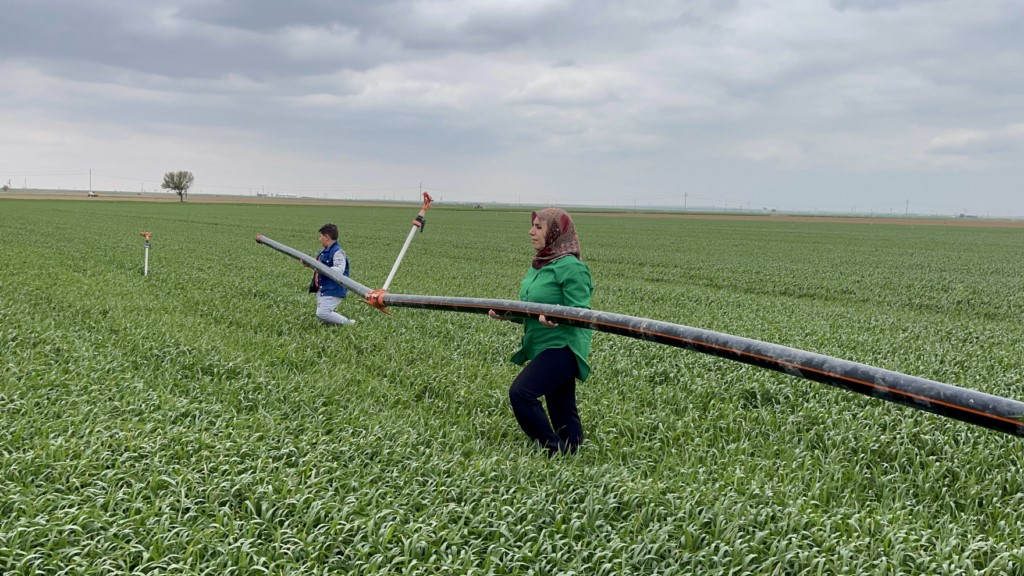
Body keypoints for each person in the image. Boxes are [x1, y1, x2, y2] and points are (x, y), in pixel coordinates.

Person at [489, 208, 593, 455]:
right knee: (561, 405)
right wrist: (509, 314)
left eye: (538, 227)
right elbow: (532, 308)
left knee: (521, 393)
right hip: (542, 344)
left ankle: (552, 449)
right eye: (532, 225)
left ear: (555, 232)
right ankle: (572, 450)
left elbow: (580, 313)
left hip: (563, 346)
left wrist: (559, 318)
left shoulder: (572, 268)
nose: (531, 231)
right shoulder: (540, 265)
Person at [305, 223, 356, 326]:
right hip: (323, 288)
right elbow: (318, 267)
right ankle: (333, 323)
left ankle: (348, 323)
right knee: (322, 315)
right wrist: (309, 264)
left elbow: (339, 269)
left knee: (322, 313)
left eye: (321, 236)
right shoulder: (324, 251)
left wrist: (321, 268)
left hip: (333, 288)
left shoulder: (338, 252)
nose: (319, 239)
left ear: (327, 237)